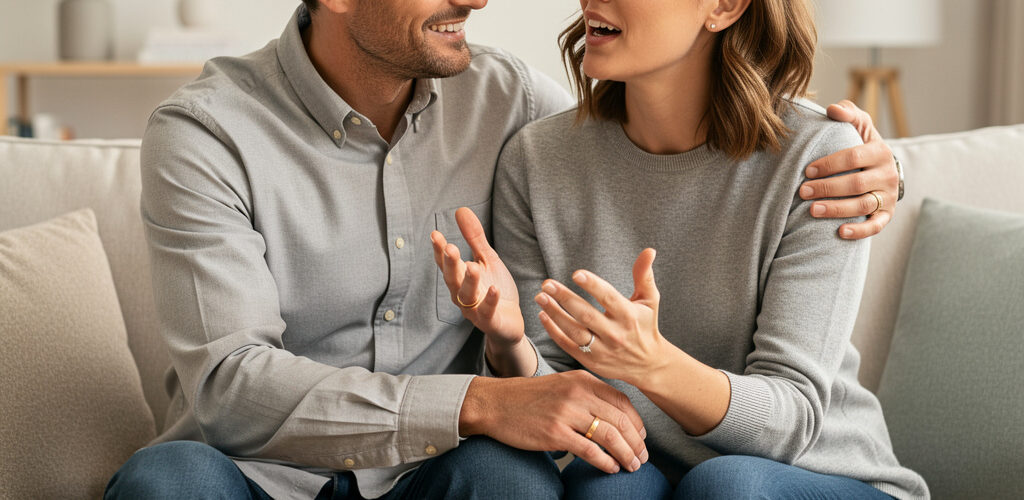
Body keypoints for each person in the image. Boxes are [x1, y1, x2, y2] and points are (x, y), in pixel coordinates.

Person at [105, 0, 905, 498]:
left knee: (515, 480)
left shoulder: (507, 103)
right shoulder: (206, 133)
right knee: (166, 483)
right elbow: (229, 385)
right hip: (257, 470)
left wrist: (880, 166)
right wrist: (494, 385)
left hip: (448, 473)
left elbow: (670, 135)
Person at [431, 0, 928, 499]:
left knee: (728, 485)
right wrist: (507, 341)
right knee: (604, 486)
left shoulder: (822, 162)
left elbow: (790, 420)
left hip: (821, 473)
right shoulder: (536, 159)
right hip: (647, 469)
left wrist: (653, 364)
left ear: (724, 7)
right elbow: (556, 396)